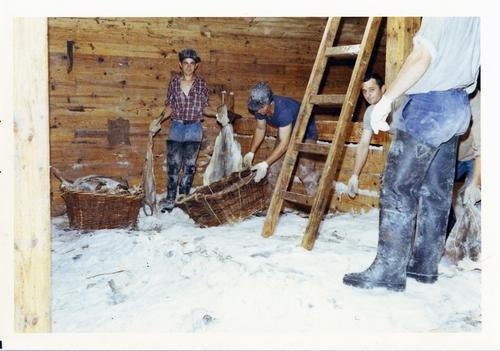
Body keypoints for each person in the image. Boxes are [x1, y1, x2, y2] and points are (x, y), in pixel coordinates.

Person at [343, 17, 480, 291]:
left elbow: (422, 55)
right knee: (436, 193)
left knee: (397, 187)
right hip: (458, 105)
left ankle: (389, 270)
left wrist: (387, 99)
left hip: (429, 106)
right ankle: (424, 266)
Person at [150, 48, 221, 213]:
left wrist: (218, 114)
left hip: (194, 127)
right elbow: (169, 107)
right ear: (180, 65)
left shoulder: (201, 84)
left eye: (192, 63)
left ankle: (183, 200)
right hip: (177, 126)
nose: (188, 67)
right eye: (185, 63)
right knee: (173, 165)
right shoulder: (174, 83)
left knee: (189, 166)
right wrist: (158, 119)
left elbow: (205, 108)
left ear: (196, 66)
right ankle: (169, 200)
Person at [244, 82, 320, 197]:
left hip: (305, 131)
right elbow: (260, 129)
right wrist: (251, 152)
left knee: (306, 169)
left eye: (260, 108)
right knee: (273, 167)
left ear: (269, 102)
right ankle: (271, 206)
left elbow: (284, 144)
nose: (258, 111)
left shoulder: (283, 111)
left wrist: (264, 164)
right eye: (256, 108)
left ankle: (313, 204)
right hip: (285, 130)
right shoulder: (260, 109)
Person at [347, 73, 386, 198]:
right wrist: (355, 175)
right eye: (364, 91)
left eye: (372, 90)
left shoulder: (396, 105)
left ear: (383, 89)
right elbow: (364, 144)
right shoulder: (369, 112)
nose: (368, 95)